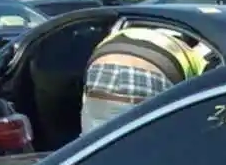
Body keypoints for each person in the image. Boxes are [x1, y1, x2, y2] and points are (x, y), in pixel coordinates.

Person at [79, 21, 218, 134]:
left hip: (102, 63)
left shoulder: (125, 29)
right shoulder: (193, 54)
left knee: (94, 135)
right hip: (153, 72)